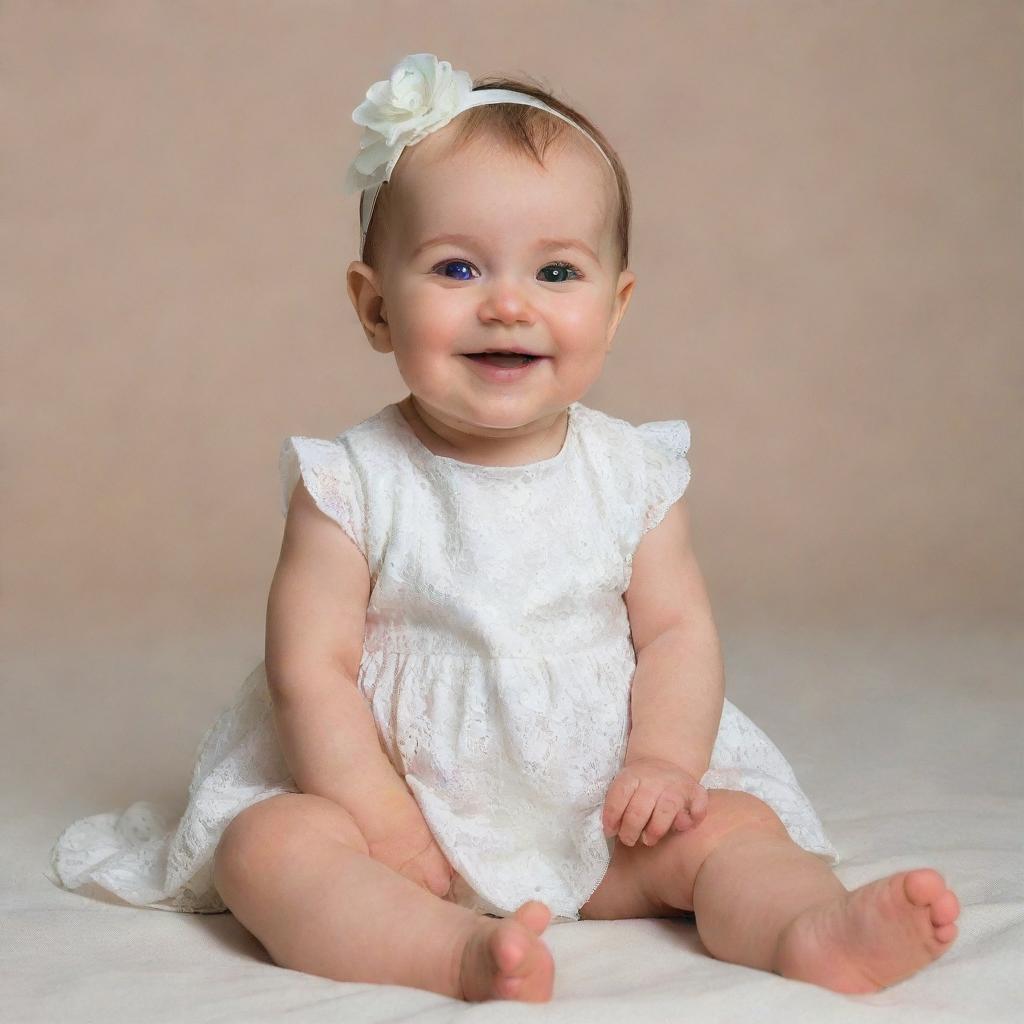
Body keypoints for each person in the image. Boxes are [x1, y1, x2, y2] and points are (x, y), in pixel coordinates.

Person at [49, 53, 960, 1003]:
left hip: (601, 814)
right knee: (268, 849)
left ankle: (806, 931)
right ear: (373, 306)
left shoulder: (632, 474)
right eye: (456, 267)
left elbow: (679, 633)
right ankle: (447, 954)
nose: (509, 302)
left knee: (731, 830)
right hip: (392, 804)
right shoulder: (350, 484)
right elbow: (308, 668)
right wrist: (382, 820)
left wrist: (662, 763)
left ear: (614, 311)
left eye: (556, 270)